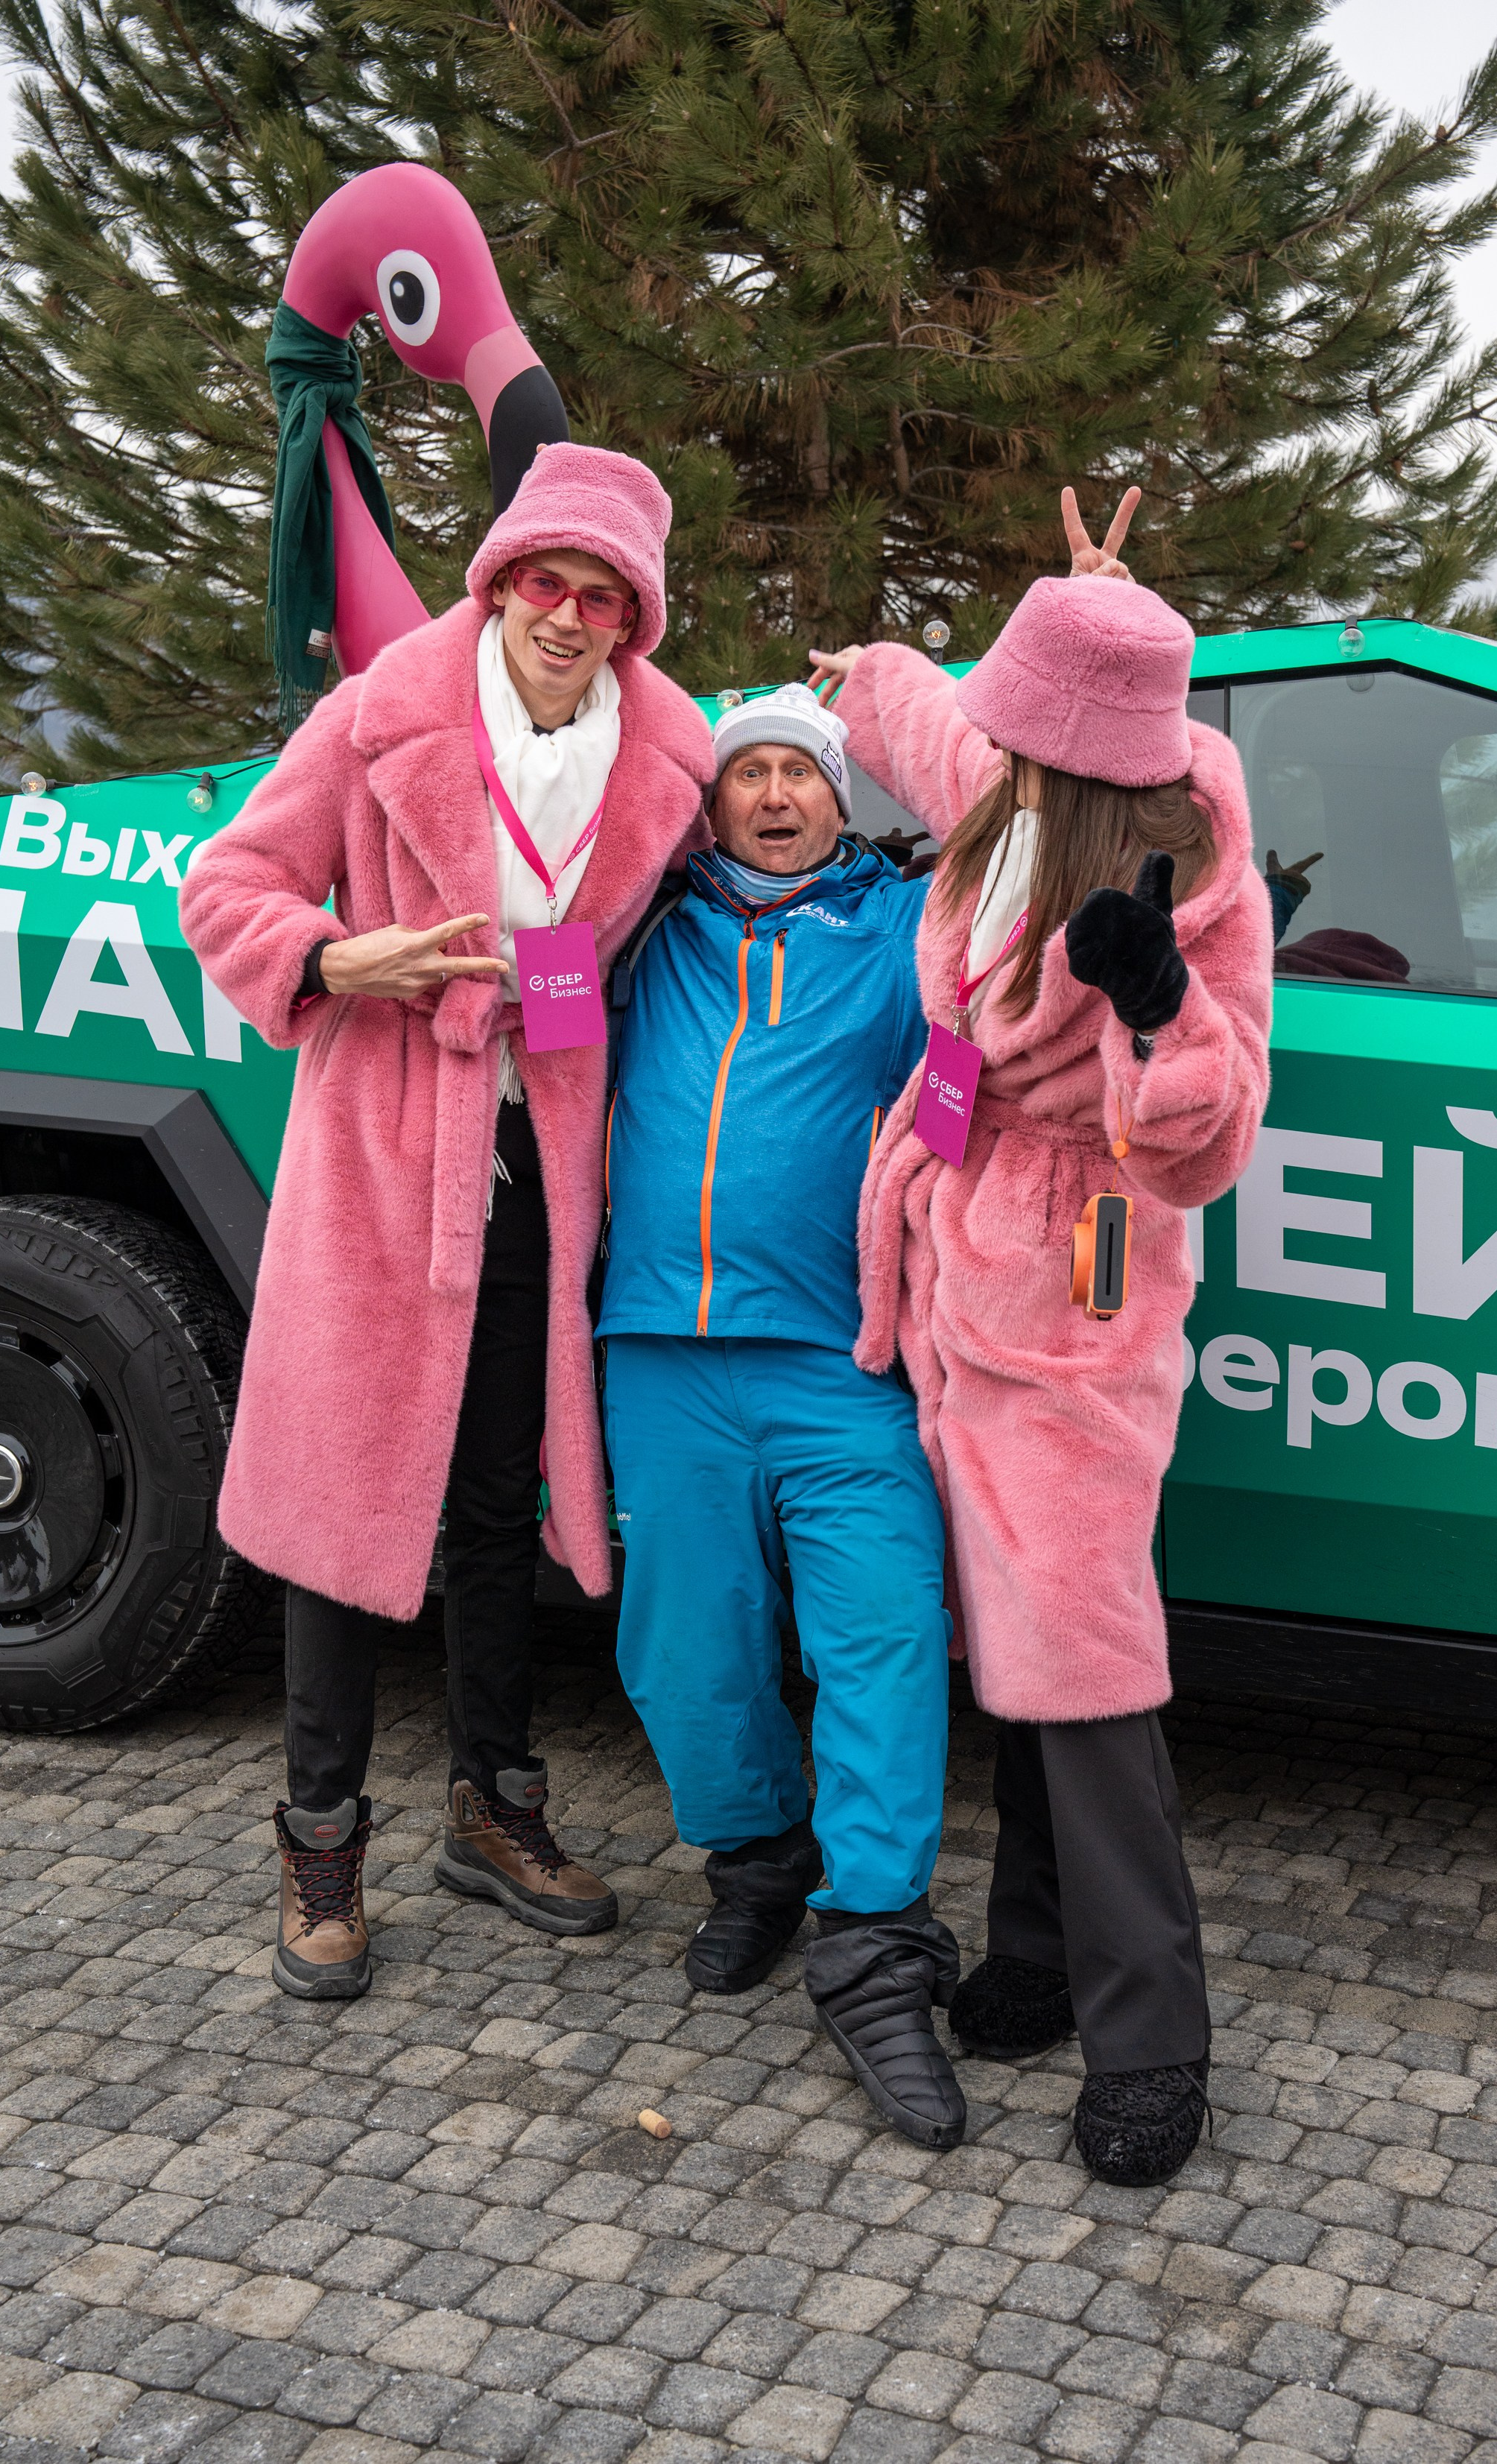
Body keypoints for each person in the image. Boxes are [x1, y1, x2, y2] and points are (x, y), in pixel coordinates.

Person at [181, 443, 712, 2001]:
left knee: (495, 1503)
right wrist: (341, 962)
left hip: (540, 1171)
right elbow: (227, 882)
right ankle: (320, 1839)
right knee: (343, 1518)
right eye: (545, 579)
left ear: (633, 619)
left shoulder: (662, 762)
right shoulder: (379, 715)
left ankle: (494, 1803)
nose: (567, 611)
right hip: (378, 1171)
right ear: (500, 582)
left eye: (601, 593)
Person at [808, 491, 1273, 2186]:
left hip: (1073, 1270)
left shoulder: (1189, 865)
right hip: (949, 1246)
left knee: (1081, 1654)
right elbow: (938, 726)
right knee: (1007, 1620)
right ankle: (1029, 1952)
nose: (976, 728)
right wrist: (860, 672)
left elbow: (1209, 1137)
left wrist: (1154, 1004)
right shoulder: (1004, 787)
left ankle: (1153, 2034)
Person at [598, 682, 966, 2150]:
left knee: (878, 1630)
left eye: (797, 773)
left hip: (838, 1359)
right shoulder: (634, 937)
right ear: (705, 798)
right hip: (658, 1357)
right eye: (742, 770)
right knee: (685, 1651)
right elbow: (507, 925)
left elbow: (1010, 874)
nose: (769, 794)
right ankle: (754, 1860)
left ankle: (873, 1941)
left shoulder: (896, 935)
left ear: (837, 797)